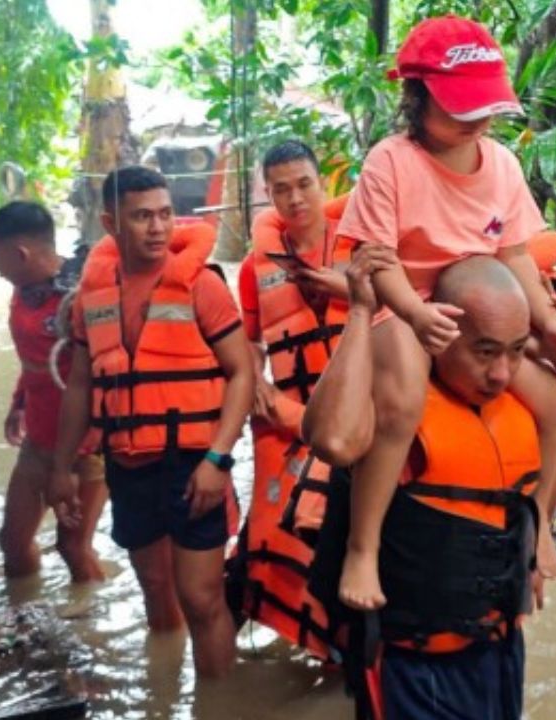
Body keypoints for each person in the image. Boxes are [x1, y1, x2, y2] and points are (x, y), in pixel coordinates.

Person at [303, 249, 556, 719]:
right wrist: (362, 310)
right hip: (414, 662)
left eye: (514, 351)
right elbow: (332, 439)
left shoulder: (523, 399)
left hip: (498, 650)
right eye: (484, 351)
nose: (500, 372)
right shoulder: (396, 405)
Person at [334, 14, 556, 614]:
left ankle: (540, 525)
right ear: (416, 98)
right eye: (459, 108)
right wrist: (418, 317)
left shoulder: (501, 163)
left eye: (482, 108)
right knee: (399, 408)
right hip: (409, 305)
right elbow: (380, 260)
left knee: (554, 404)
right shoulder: (389, 162)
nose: (476, 121)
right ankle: (362, 547)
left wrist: (547, 319)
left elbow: (516, 255)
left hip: (483, 317)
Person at [47, 166, 255, 678]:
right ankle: (162, 693)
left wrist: (217, 459)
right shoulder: (91, 299)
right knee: (155, 588)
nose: (158, 227)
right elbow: (79, 385)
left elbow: (243, 374)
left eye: (165, 214)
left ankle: (217, 707)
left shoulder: (201, 285)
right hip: (128, 463)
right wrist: (61, 467)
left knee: (202, 597)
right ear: (110, 222)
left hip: (195, 465)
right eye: (142, 217)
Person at [232, 140, 353, 659]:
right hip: (292, 422)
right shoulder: (252, 269)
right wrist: (253, 370)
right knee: (284, 542)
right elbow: (252, 339)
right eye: (281, 189)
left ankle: (350, 656)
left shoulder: (360, 244)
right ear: (268, 194)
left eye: (303, 183)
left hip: (354, 422)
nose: (295, 198)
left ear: (321, 182)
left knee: (352, 544)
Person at [0, 201, 107, 583]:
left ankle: (90, 633)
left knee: (72, 547)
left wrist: (69, 465)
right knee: (13, 542)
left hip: (85, 451)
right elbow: (35, 360)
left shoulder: (83, 298)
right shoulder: (23, 290)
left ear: (20, 254)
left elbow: (101, 384)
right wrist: (18, 402)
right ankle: (24, 616)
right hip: (38, 441)